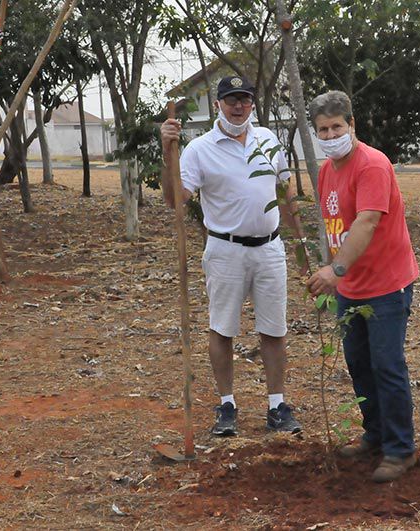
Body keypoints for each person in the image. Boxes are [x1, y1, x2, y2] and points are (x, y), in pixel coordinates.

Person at [160, 75, 302, 437]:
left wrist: (300, 241)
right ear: (218, 105)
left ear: (252, 102)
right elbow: (176, 199)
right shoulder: (199, 149)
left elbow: (285, 190)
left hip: (269, 248)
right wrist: (167, 150)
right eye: (231, 100)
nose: (238, 106)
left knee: (274, 328)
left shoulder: (268, 139)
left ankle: (277, 405)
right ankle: (227, 405)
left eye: (244, 99)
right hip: (225, 250)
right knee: (222, 328)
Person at [305, 90, 419, 482]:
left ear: (352, 125)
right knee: (358, 364)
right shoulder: (326, 171)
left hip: (386, 285)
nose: (330, 135)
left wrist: (335, 270)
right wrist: (336, 272)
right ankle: (375, 434)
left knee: (387, 365)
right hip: (351, 286)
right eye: (323, 130)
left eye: (337, 127)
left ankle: (400, 449)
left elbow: (366, 222)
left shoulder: (372, 165)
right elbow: (336, 226)